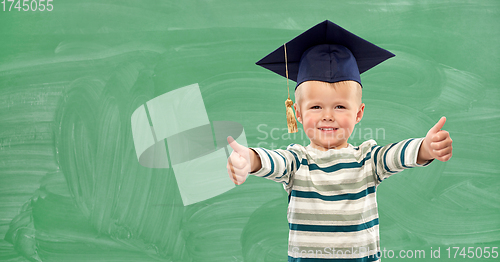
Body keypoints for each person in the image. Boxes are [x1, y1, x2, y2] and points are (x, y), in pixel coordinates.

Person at [226, 20, 452, 261]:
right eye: (315, 106)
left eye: (340, 106)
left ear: (358, 113)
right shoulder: (297, 161)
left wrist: (425, 148)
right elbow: (274, 161)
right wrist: (249, 159)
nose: (328, 115)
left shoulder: (368, 160)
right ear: (298, 114)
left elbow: (395, 156)